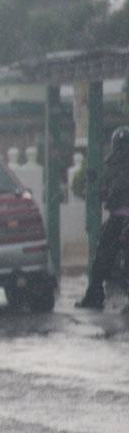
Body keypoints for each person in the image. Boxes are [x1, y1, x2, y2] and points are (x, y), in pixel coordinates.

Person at [76, 125, 129, 309]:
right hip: (120, 218)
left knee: (101, 258)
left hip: (118, 218)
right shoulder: (113, 165)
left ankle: (94, 295)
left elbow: (108, 191)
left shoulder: (112, 164)